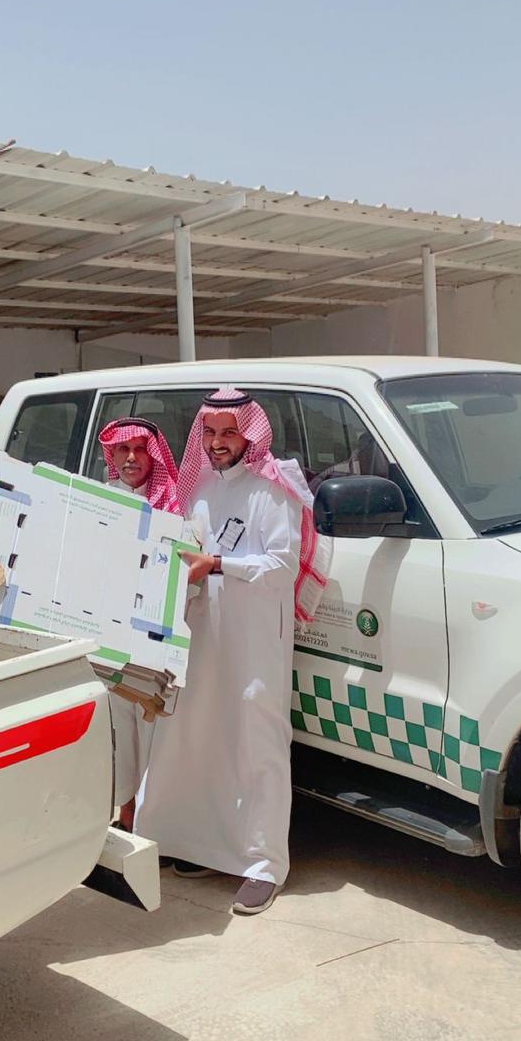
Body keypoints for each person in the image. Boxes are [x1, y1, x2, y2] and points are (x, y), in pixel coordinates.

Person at [135, 388, 330, 915]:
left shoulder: (274, 488)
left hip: (255, 641)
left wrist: (218, 565)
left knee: (256, 743)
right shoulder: (197, 487)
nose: (218, 443)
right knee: (198, 735)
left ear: (251, 434)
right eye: (210, 433)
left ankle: (264, 866)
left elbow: (281, 566)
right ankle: (200, 847)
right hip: (203, 633)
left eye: (229, 432)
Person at [98, 416, 180, 830]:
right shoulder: (100, 501)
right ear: (111, 456)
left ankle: (154, 818)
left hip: (155, 639)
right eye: (123, 450)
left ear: (154, 456)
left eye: (140, 449)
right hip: (111, 635)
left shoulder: (173, 505)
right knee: (118, 727)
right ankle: (126, 812)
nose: (131, 458)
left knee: (154, 729)